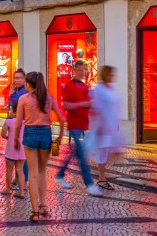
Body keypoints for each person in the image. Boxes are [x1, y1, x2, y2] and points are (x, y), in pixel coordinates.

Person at [14, 71, 66, 222]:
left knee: (33, 173)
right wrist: (60, 138)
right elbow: (62, 119)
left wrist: (16, 138)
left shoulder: (24, 99)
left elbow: (18, 123)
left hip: (30, 133)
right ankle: (43, 205)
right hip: (46, 134)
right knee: (42, 171)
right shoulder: (49, 97)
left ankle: (35, 212)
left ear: (29, 84)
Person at [55, 60, 102, 196]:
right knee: (82, 155)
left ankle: (59, 174)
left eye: (84, 70)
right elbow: (66, 106)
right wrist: (84, 104)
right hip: (74, 125)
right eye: (80, 70)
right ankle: (89, 184)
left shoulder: (84, 86)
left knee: (77, 152)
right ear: (74, 70)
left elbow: (89, 104)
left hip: (85, 125)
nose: (82, 72)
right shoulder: (69, 86)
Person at [88, 65, 125, 191]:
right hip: (103, 126)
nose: (112, 77)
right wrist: (97, 125)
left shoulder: (112, 89)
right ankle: (102, 179)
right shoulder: (99, 89)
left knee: (113, 151)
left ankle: (102, 177)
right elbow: (95, 107)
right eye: (110, 74)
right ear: (105, 75)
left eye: (112, 75)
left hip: (112, 126)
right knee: (103, 152)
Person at [0, 102, 26, 198]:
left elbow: (3, 133)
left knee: (9, 169)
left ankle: (8, 188)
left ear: (15, 113)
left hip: (11, 149)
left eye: (10, 109)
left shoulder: (8, 121)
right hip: (22, 150)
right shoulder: (25, 122)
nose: (8, 111)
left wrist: (8, 137)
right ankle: (21, 191)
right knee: (20, 170)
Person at [9, 69, 29, 191]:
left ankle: (24, 181)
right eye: (15, 78)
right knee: (18, 154)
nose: (17, 80)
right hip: (14, 125)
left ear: (25, 79)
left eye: (20, 78)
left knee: (22, 156)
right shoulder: (16, 91)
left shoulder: (23, 93)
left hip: (21, 126)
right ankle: (18, 179)